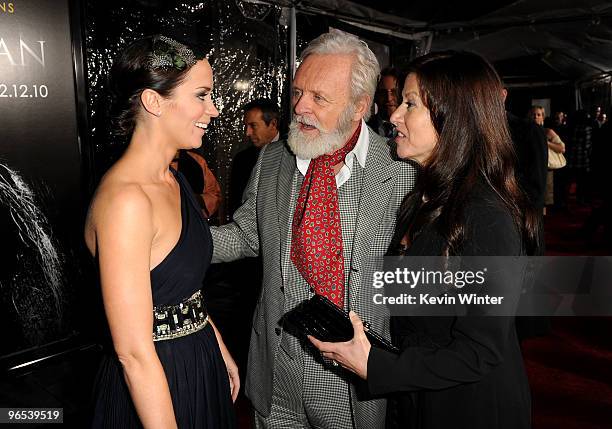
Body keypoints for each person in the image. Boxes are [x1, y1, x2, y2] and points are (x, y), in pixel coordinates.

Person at [310, 51, 537, 429]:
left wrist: (377, 365)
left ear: (455, 118)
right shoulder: (422, 197)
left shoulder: (486, 216)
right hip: (420, 397)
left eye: (409, 103)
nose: (394, 115)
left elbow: (479, 351)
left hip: (468, 409)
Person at [210, 29, 416, 428]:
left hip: (351, 381)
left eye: (319, 98)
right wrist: (176, 239)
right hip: (276, 365)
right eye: (298, 92)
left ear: (359, 106)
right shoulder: (273, 158)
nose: (300, 108)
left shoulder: (401, 170)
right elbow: (246, 235)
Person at [84, 35, 237, 428]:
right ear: (154, 101)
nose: (214, 110)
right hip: (156, 384)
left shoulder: (173, 178)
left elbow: (184, 292)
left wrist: (217, 347)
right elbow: (133, 353)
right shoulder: (127, 201)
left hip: (197, 357)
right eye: (202, 96)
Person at [230, 98, 280, 214]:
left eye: (253, 125)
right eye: (246, 126)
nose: (247, 132)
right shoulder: (241, 160)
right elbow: (236, 206)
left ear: (273, 124)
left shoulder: (294, 155)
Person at [528, 105, 565, 210]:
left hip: (545, 171)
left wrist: (546, 142)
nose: (535, 117)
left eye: (538, 115)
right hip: (529, 172)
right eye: (533, 115)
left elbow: (562, 148)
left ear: (542, 117)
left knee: (542, 202)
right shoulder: (525, 132)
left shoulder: (548, 132)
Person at [171, 149, 222, 219]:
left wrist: (198, 199)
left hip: (191, 221)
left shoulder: (197, 161)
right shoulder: (153, 162)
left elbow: (215, 194)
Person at [367, 67, 401, 138]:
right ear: (376, 95)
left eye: (394, 92)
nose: (389, 98)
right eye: (383, 92)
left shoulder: (412, 127)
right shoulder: (366, 129)